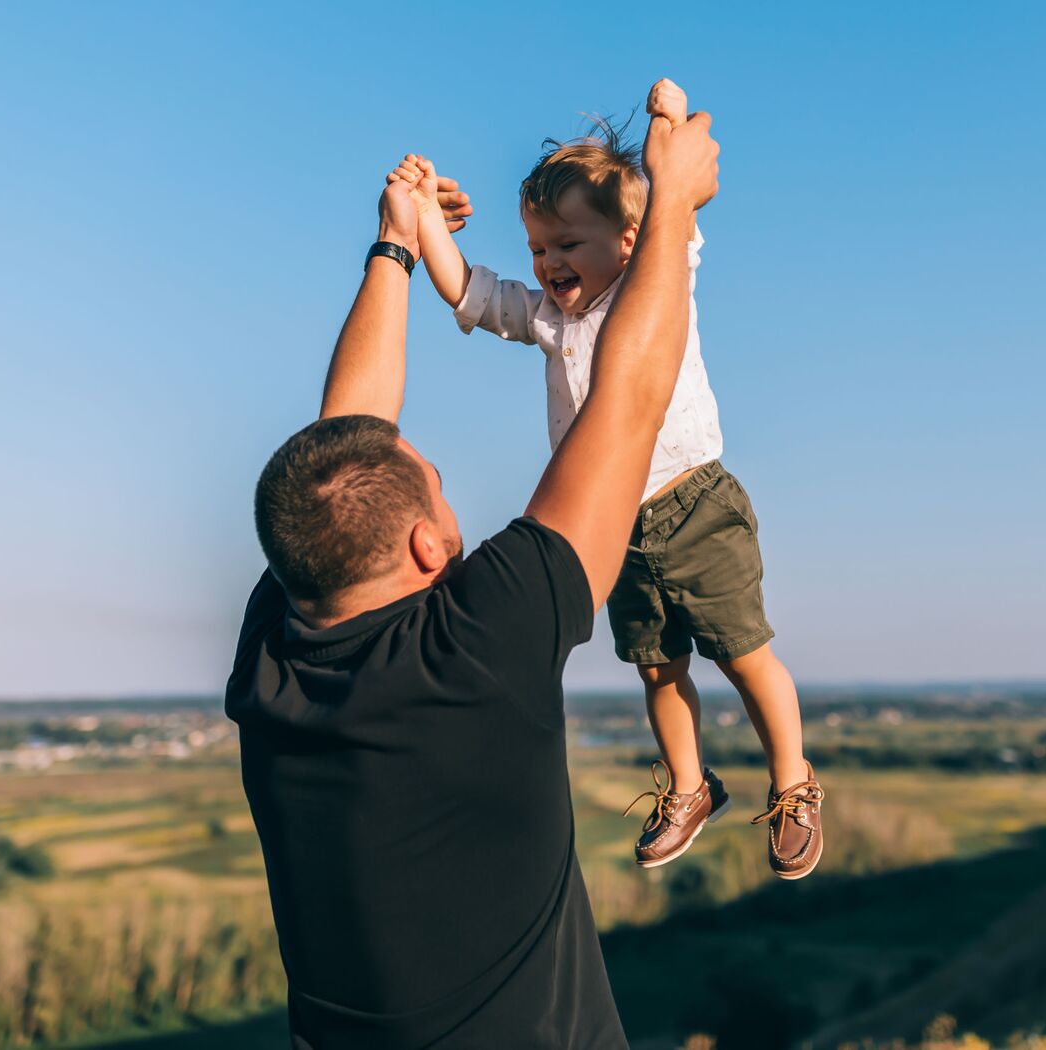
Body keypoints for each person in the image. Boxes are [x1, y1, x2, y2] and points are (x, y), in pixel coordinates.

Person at [225, 84, 719, 1049]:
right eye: (437, 484)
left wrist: (397, 244)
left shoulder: (280, 649)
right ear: (423, 545)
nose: (450, 496)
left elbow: (344, 450)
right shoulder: (476, 646)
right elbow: (630, 396)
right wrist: (668, 209)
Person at [397, 78, 823, 880]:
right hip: (617, 522)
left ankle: (794, 783)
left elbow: (676, 211)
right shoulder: (553, 321)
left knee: (744, 654)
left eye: (566, 243)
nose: (548, 262)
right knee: (657, 667)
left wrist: (666, 116)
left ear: (628, 240)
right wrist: (421, 220)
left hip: (695, 501)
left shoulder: (653, 280)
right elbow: (471, 291)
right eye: (538, 249)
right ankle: (691, 788)